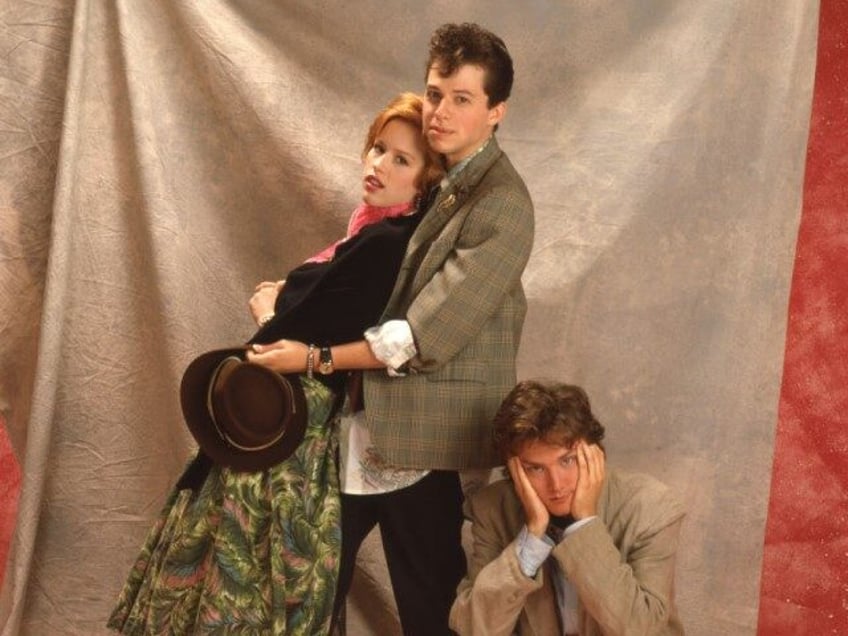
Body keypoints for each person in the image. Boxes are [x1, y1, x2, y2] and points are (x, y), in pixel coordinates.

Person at [106, 92, 444, 636]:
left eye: (400, 159)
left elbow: (301, 324)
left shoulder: (387, 242)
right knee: (234, 569)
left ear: (424, 183)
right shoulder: (365, 231)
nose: (378, 164)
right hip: (281, 417)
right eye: (378, 148)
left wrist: (271, 307)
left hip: (291, 429)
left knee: (248, 579)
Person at [248, 22, 535, 636]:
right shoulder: (442, 187)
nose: (441, 111)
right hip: (368, 426)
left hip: (428, 440)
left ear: (496, 111)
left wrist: (313, 358)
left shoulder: (501, 203)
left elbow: (419, 337)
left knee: (429, 606)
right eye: (435, 93)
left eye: (462, 98)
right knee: (312, 586)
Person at [449, 380, 686, 636]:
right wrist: (530, 539)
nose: (556, 485)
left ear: (595, 454)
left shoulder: (650, 508)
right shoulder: (492, 509)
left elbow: (642, 629)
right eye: (536, 468)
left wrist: (584, 525)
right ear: (514, 471)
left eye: (567, 460)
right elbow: (474, 629)